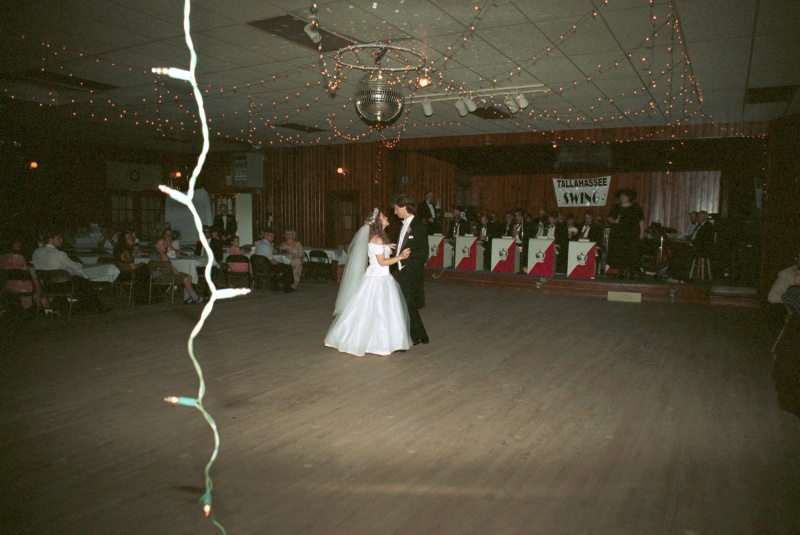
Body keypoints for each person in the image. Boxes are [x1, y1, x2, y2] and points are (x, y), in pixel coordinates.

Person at [324, 209, 411, 356]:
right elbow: (382, 262)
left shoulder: (379, 239)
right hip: (377, 279)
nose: (387, 217)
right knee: (375, 310)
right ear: (378, 222)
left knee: (382, 311)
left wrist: (386, 247)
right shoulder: (377, 239)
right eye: (384, 217)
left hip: (382, 278)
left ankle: (380, 341)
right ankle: (372, 342)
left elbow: (378, 252)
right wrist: (400, 257)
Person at [31, 231, 109, 313]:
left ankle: (84, 307)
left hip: (47, 285)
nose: (61, 240)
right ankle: (95, 307)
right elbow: (76, 266)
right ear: (50, 239)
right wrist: (79, 263)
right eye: (59, 238)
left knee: (80, 282)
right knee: (84, 283)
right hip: (61, 285)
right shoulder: (60, 254)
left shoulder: (36, 252)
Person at [393, 193, 429, 345]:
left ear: (404, 207)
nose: (395, 212)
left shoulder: (418, 226)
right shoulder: (403, 225)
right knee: (408, 304)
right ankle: (420, 335)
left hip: (411, 271)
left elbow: (423, 252)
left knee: (407, 304)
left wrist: (409, 266)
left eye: (396, 209)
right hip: (403, 270)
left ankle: (417, 335)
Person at [606, 188, 646, 279]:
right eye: (620, 196)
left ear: (629, 197)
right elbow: (609, 218)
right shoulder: (616, 207)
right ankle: (621, 272)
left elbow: (641, 220)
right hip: (618, 235)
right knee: (620, 253)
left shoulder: (636, 207)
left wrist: (642, 232)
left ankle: (632, 272)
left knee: (632, 253)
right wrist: (615, 221)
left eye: (624, 196)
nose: (622, 197)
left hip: (632, 235)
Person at [151, 237, 202, 304]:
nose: (166, 245)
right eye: (163, 244)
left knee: (189, 276)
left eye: (165, 244)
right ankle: (195, 297)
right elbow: (169, 266)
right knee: (185, 279)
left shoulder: (162, 254)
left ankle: (186, 298)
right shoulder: (161, 255)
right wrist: (178, 273)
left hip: (167, 274)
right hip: (162, 276)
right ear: (157, 246)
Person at [667, 210, 714, 282]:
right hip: (696, 246)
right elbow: (694, 237)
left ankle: (683, 276)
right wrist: (684, 240)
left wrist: (688, 242)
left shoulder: (708, 226)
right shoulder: (700, 226)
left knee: (682, 252)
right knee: (677, 250)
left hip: (702, 249)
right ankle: (674, 274)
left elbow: (701, 241)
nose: (696, 218)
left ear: (703, 218)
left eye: (698, 217)